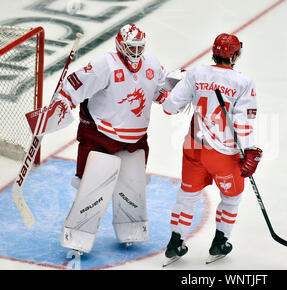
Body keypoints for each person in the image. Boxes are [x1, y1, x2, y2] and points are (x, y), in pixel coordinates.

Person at [54, 23, 170, 254]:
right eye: (130, 47)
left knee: (132, 184)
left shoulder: (153, 63)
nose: (135, 53)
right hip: (101, 136)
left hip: (135, 138)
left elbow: (160, 91)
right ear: (119, 44)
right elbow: (73, 86)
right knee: (93, 187)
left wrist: (177, 92)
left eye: (139, 48)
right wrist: (62, 103)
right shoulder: (104, 65)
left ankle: (131, 228)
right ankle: (78, 236)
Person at [161, 33, 263, 265]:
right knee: (231, 197)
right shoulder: (243, 82)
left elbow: (169, 107)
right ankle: (220, 241)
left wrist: (175, 86)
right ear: (235, 54)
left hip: (194, 147)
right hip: (223, 153)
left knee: (186, 196)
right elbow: (243, 122)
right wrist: (250, 151)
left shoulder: (196, 74)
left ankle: (175, 242)